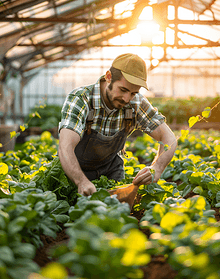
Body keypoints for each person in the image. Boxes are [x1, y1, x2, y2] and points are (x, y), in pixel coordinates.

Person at [58, 53, 177, 196]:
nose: (127, 98)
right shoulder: (81, 99)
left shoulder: (136, 103)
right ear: (108, 77)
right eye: (123, 90)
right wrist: (80, 181)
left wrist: (156, 168)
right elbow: (65, 146)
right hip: (74, 174)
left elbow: (169, 138)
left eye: (133, 93)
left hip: (111, 173)